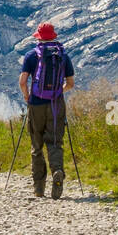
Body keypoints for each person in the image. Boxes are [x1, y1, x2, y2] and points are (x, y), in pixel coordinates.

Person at [18, 22, 74, 199]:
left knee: (37, 144)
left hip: (36, 104)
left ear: (39, 37)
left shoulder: (31, 56)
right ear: (54, 36)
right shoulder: (63, 56)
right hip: (56, 104)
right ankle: (57, 170)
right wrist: (58, 92)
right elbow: (70, 83)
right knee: (55, 141)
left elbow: (22, 81)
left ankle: (39, 188)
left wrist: (28, 96)